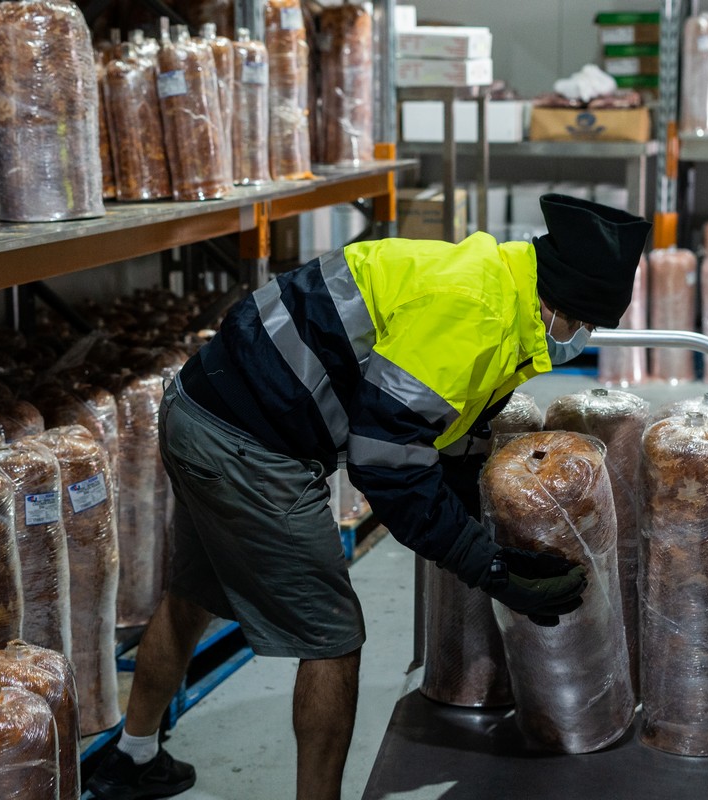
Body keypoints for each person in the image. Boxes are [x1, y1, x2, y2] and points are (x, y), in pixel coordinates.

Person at [85, 194, 652, 800]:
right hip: (248, 443)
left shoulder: (504, 289)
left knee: (193, 593)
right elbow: (385, 464)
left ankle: (132, 757)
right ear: (555, 301)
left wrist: (485, 533)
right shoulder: (474, 310)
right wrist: (487, 567)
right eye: (583, 324)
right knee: (334, 637)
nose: (582, 338)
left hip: (202, 409)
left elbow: (446, 428)